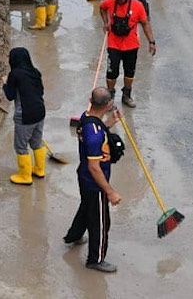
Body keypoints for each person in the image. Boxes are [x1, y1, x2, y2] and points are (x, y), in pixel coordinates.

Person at [63, 87, 123, 273]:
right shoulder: (96, 135)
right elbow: (94, 167)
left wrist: (110, 122)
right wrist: (110, 191)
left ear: (90, 100)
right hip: (95, 182)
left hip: (84, 177)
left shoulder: (86, 119)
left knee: (87, 207)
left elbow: (97, 127)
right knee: (100, 222)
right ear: (108, 104)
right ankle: (95, 259)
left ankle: (74, 235)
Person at [99, 0, 156, 107]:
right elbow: (101, 8)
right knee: (111, 71)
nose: (119, 0)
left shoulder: (137, 6)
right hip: (113, 44)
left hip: (131, 45)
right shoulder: (109, 2)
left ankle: (127, 94)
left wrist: (151, 42)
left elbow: (145, 23)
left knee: (129, 72)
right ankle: (110, 96)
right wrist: (106, 22)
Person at [1, 47, 47, 184]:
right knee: (36, 142)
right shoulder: (35, 72)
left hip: (25, 116)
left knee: (20, 146)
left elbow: (10, 96)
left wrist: (5, 83)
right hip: (40, 112)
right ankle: (39, 169)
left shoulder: (14, 75)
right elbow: (41, 92)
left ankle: (25, 176)